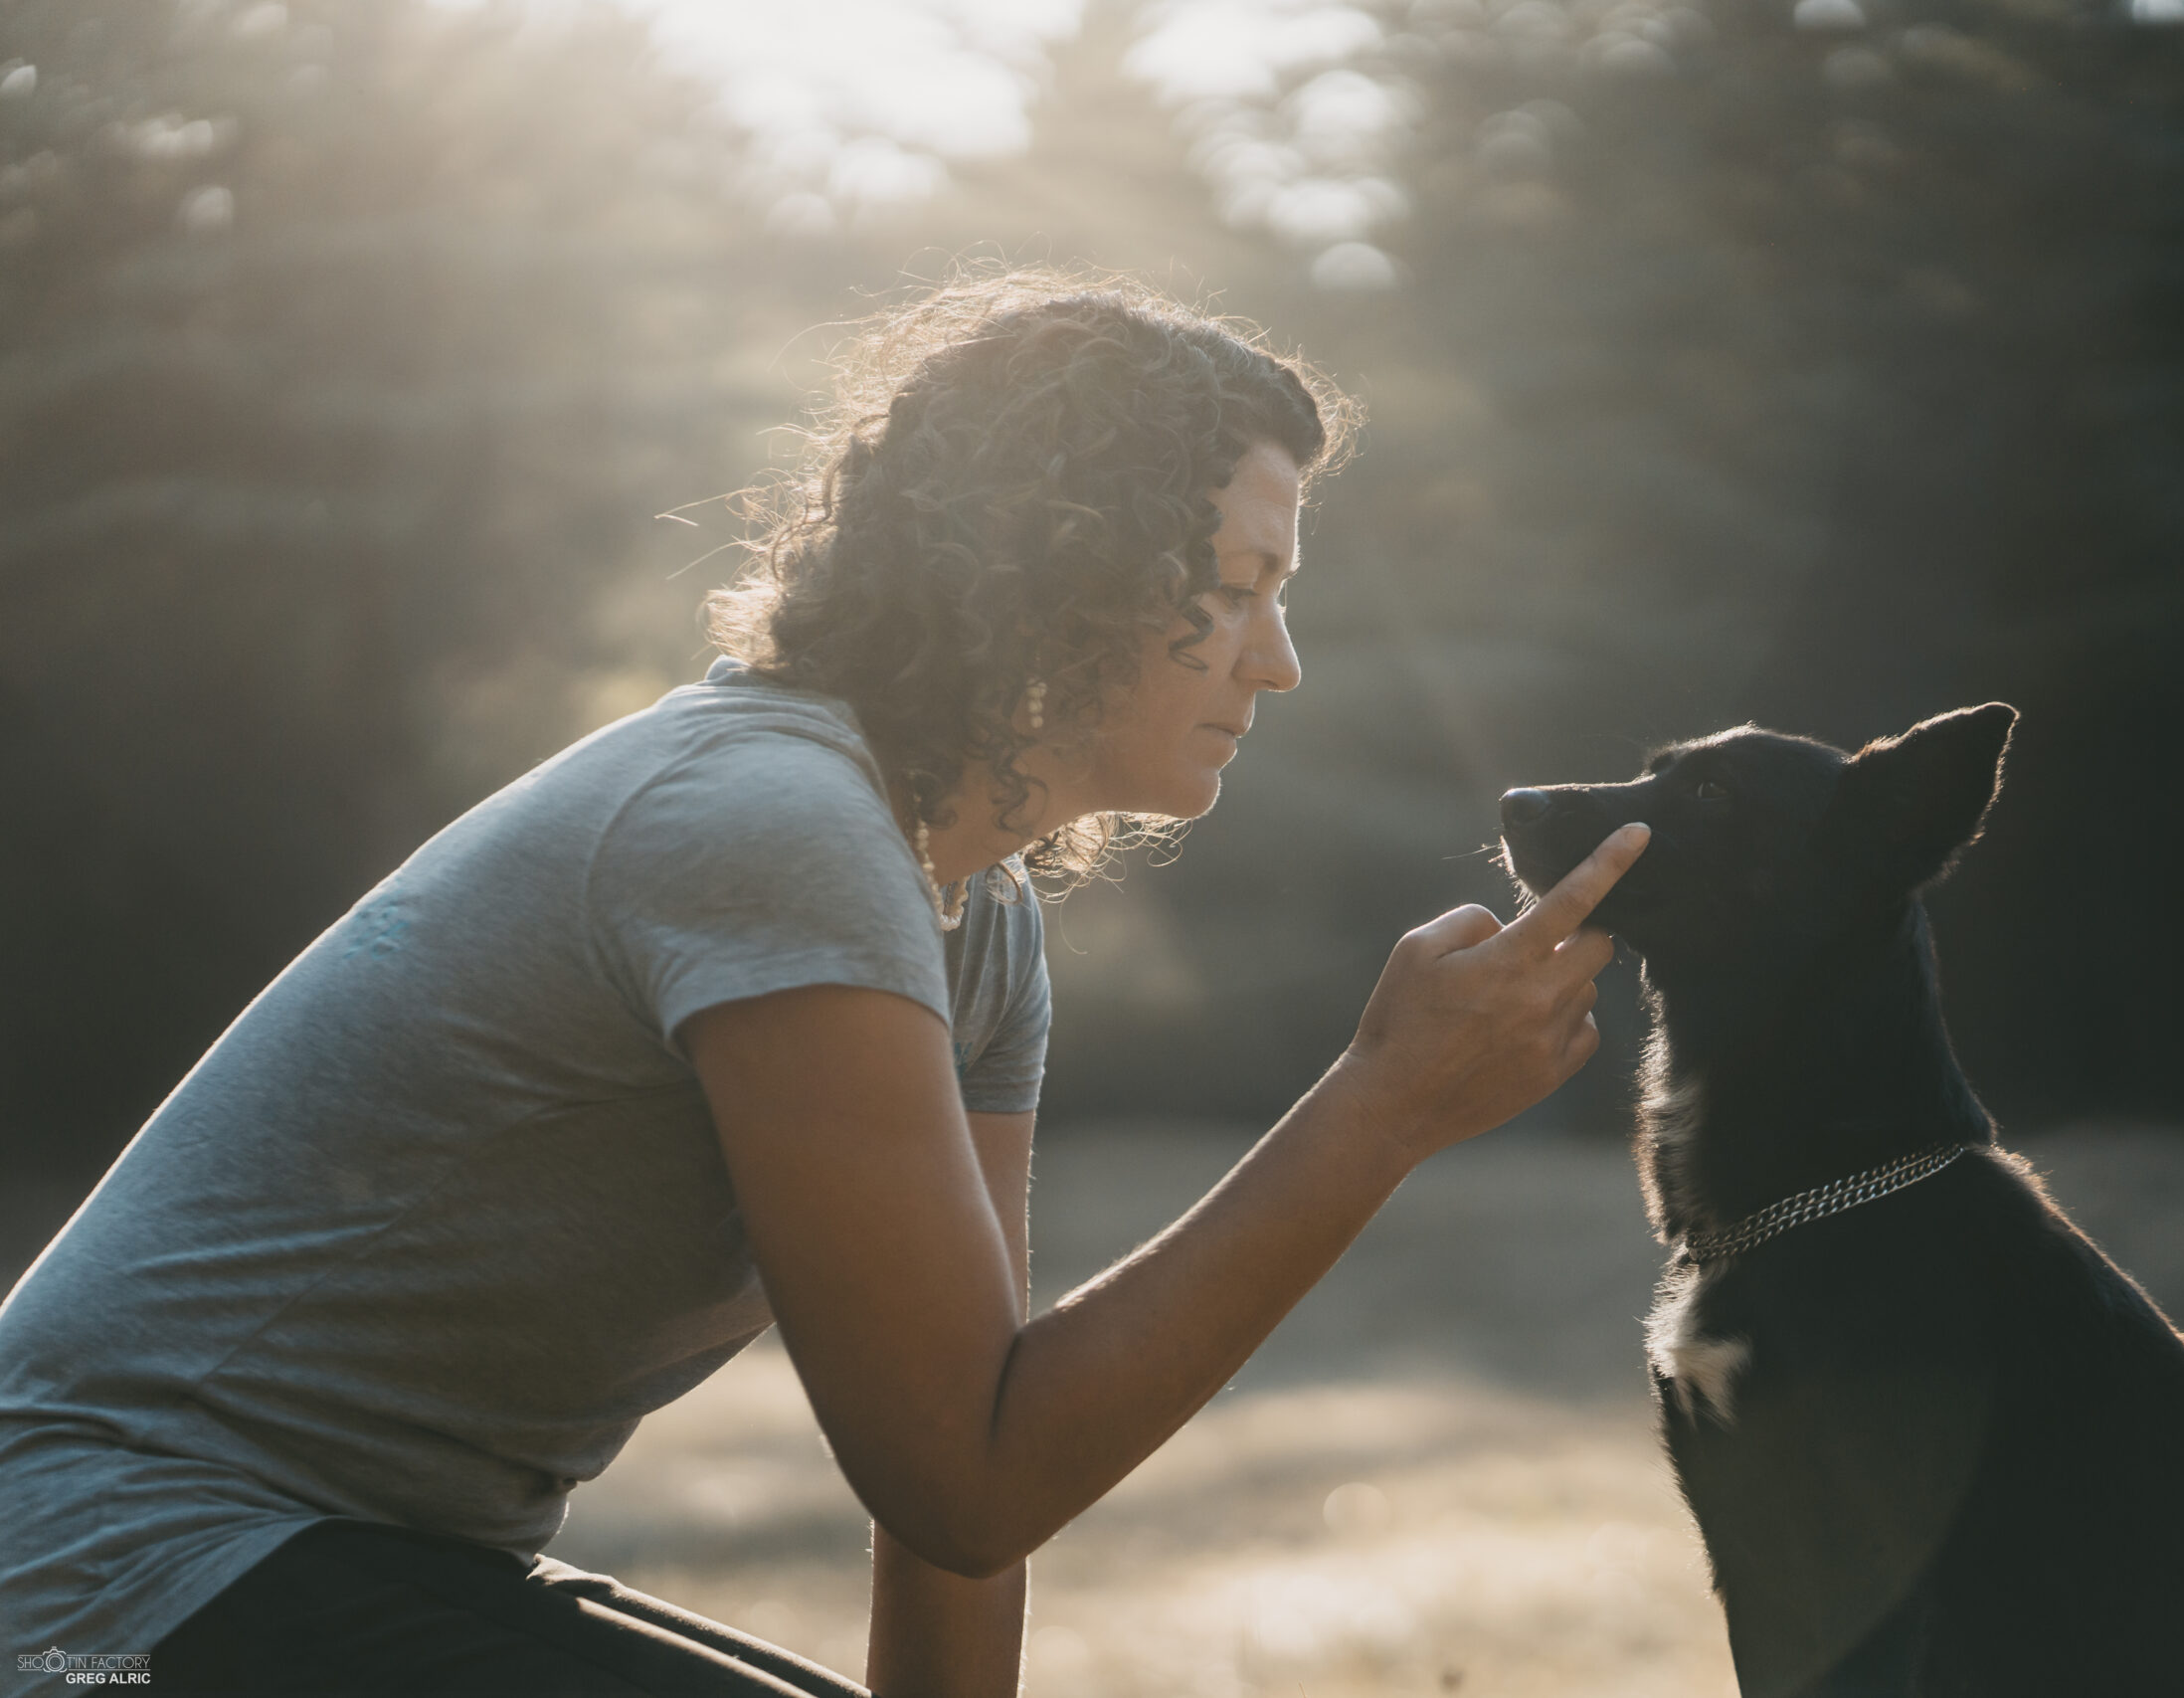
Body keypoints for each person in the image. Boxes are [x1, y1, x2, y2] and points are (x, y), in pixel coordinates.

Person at [0, 273, 1647, 1698]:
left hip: (323, 1581)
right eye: (1231, 589)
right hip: (94, 1601)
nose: (1274, 663)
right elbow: (971, 1478)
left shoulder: (970, 920)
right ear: (1046, 568)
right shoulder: (772, 823)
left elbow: (968, 1465)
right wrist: (1377, 1115)